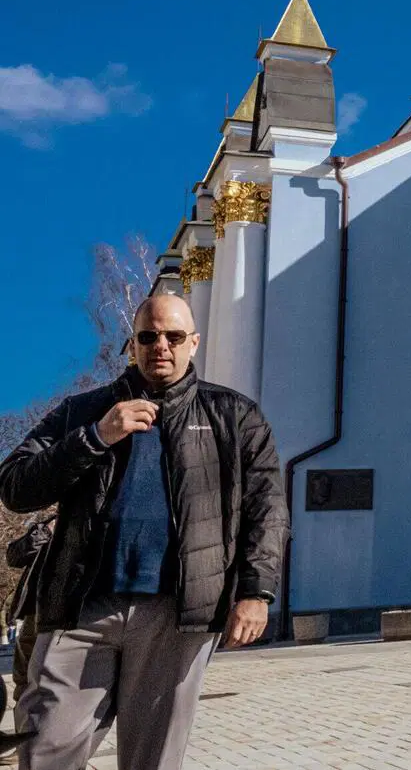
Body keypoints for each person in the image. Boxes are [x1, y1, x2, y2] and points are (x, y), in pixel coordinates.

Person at [0, 295, 286, 770]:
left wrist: (257, 592)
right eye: (149, 336)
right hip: (82, 608)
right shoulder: (84, 411)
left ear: (194, 343)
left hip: (178, 614)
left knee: (152, 761)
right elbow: (14, 486)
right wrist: (94, 438)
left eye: (174, 337)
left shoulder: (234, 416)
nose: (161, 346)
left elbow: (267, 509)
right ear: (131, 344)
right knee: (45, 748)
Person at [5, 513, 53, 729]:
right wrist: (43, 532)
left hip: (72, 614)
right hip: (36, 611)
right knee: (24, 679)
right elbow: (13, 556)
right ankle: (21, 735)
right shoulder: (47, 525)